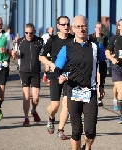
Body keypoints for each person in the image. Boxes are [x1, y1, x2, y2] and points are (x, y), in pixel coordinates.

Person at [49, 15, 106, 149]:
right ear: (73, 29)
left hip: (90, 92)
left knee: (90, 132)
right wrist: (60, 76)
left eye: (84, 26)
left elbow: (102, 65)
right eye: (78, 27)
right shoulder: (67, 48)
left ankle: (87, 147)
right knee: (76, 131)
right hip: (73, 91)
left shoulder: (97, 46)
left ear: (87, 27)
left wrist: (101, 86)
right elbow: (57, 69)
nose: (81, 29)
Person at [39, 16, 74, 140]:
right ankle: (51, 118)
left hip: (69, 76)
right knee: (55, 106)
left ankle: (61, 129)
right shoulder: (52, 40)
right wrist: (50, 64)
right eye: (63, 24)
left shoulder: (73, 39)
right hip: (55, 75)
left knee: (67, 104)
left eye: (68, 24)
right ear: (58, 26)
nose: (66, 27)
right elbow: (41, 56)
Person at [11, 23, 43, 127]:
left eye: (31, 33)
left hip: (35, 72)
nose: (29, 35)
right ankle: (26, 118)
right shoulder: (20, 42)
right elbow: (15, 57)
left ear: (34, 32)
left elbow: (44, 55)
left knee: (36, 97)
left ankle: (33, 110)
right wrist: (14, 55)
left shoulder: (39, 41)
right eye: (26, 33)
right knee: (26, 95)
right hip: (23, 71)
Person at [105, 19, 122, 124]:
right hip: (117, 67)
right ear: (119, 27)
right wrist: (112, 59)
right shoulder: (115, 39)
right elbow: (107, 52)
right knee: (120, 89)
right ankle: (121, 114)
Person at [89, 22, 108, 107]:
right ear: (94, 28)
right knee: (95, 78)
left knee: (100, 78)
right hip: (92, 60)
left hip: (101, 60)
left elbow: (107, 49)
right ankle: (95, 97)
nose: (99, 29)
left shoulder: (104, 38)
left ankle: (99, 97)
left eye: (100, 27)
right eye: (97, 27)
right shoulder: (90, 37)